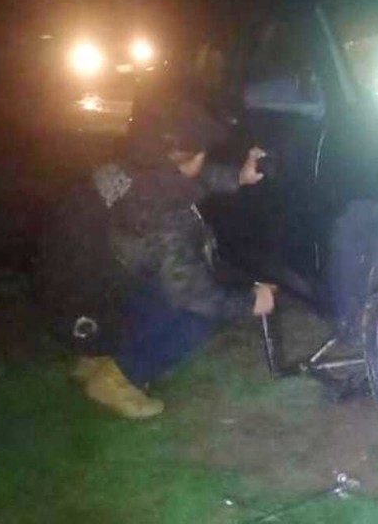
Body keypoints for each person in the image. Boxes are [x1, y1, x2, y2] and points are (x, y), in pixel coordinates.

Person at [36, 99, 276, 419]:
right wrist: (251, 301)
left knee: (152, 284)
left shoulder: (134, 167)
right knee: (196, 318)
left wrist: (238, 177)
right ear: (192, 156)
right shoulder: (163, 213)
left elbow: (187, 179)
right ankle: (120, 378)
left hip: (68, 296)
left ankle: (94, 354)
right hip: (91, 309)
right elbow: (194, 296)